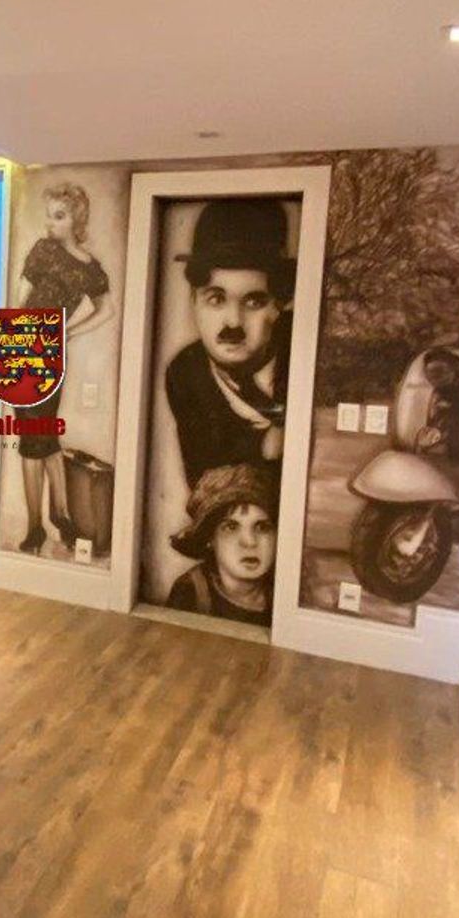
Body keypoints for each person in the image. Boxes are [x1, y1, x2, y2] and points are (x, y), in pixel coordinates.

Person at [163, 198, 294, 488]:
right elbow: (205, 485)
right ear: (194, 301)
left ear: (280, 305)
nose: (233, 322)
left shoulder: (301, 361)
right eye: (216, 299)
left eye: (254, 301)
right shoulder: (185, 373)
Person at [15, 182, 114, 555]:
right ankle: (44, 522)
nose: (51, 223)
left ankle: (53, 519)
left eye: (59, 216)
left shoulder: (90, 268)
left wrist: (68, 331)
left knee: (41, 435)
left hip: (50, 348)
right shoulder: (43, 250)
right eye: (49, 216)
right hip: (23, 345)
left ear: (77, 220)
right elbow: (19, 301)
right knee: (35, 437)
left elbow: (106, 310)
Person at [164, 463, 277, 625]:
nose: (250, 542)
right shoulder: (190, 592)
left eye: (262, 527)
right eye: (231, 527)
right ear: (210, 538)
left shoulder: (283, 592)